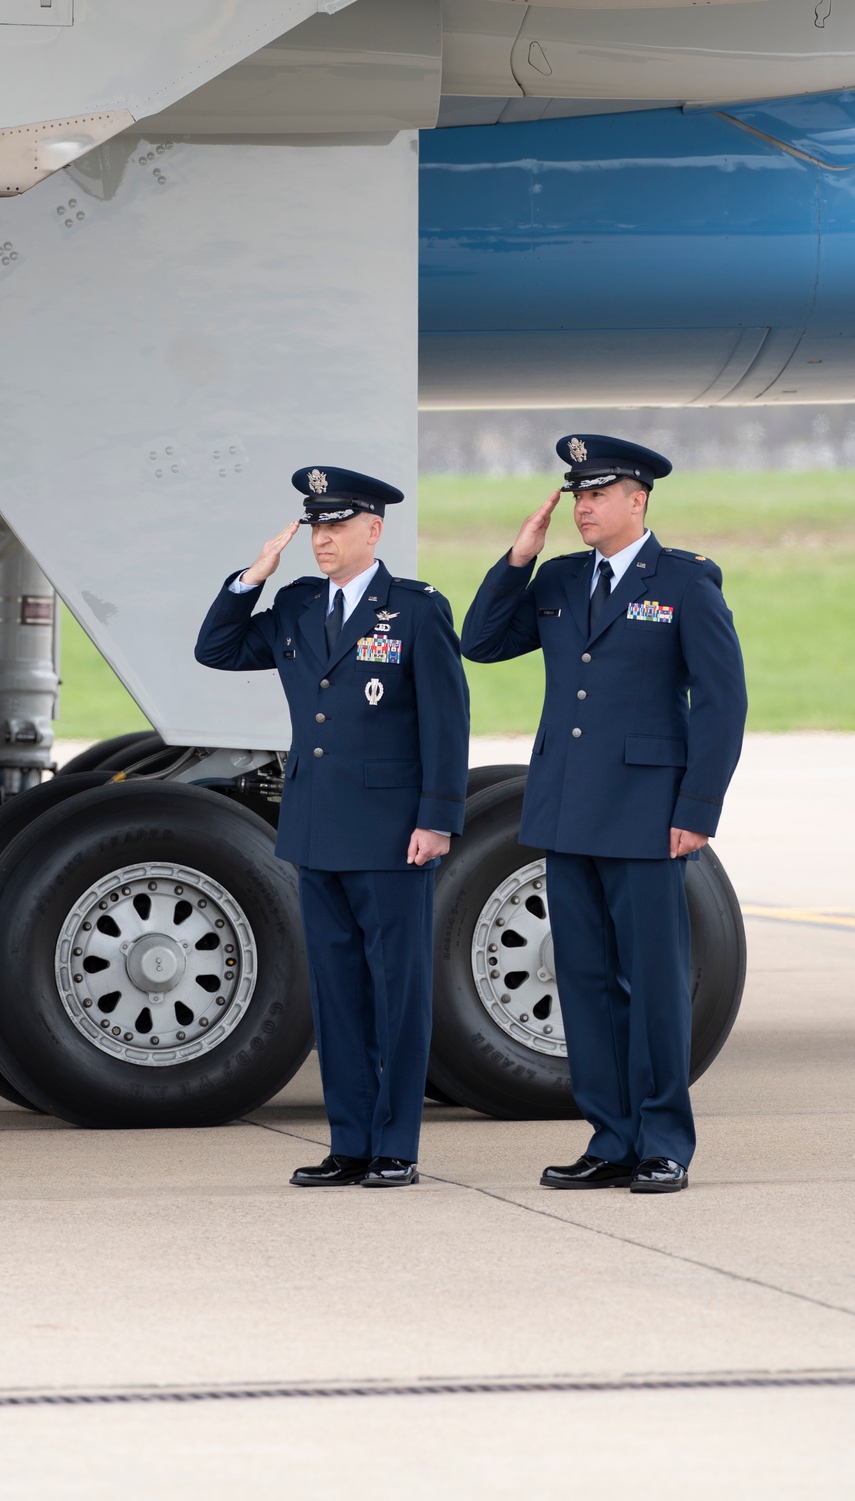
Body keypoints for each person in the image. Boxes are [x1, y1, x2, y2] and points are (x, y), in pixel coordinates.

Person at [460, 435, 746, 1194]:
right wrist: (517, 558)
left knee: (652, 981)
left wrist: (698, 806)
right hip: (569, 809)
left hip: (649, 814)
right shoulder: (557, 580)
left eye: (597, 494)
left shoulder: (683, 583)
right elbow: (480, 642)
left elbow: (722, 704)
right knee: (583, 982)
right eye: (576, 495)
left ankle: (663, 1141)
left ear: (637, 499)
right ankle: (611, 1136)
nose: (583, 507)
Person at [195, 466, 470, 1188]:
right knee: (338, 995)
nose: (322, 538)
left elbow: (447, 720)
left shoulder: (413, 609)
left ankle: (396, 1146)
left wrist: (438, 817)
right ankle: (349, 1142)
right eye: (316, 526)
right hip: (317, 829)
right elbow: (217, 649)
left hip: (391, 833)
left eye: (337, 525)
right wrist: (254, 574)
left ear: (373, 530)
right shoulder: (294, 606)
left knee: (397, 993)